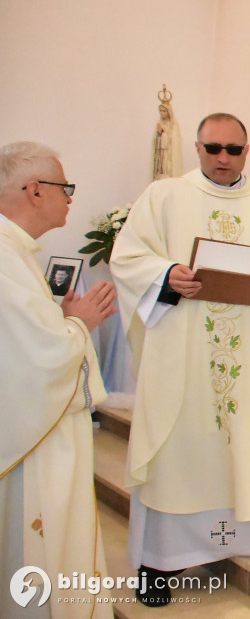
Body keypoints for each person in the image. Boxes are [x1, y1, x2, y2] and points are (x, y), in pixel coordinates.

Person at [109, 113, 250, 606]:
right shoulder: (164, 197)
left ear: (247, 152)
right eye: (213, 148)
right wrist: (166, 275)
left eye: (234, 149)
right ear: (198, 149)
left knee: (246, 443)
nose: (223, 158)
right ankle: (159, 563)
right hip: (181, 355)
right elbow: (128, 257)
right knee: (177, 451)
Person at [0, 141, 119, 616]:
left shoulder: (17, 253)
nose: (70, 197)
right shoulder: (6, 260)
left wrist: (62, 318)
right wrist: (80, 323)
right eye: (63, 187)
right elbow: (38, 361)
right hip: (32, 446)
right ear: (34, 190)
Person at [152, 99, 183, 180]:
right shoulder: (159, 123)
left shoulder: (173, 125)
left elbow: (174, 140)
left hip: (169, 154)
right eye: (160, 111)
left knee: (168, 169)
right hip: (161, 152)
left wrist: (164, 132)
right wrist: (159, 134)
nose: (162, 113)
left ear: (169, 112)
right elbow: (156, 141)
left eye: (164, 111)